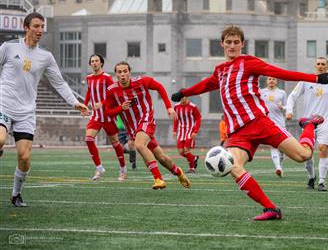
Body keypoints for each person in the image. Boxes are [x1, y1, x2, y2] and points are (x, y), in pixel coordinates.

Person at [171, 25, 328, 221]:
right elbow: (207, 84)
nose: (232, 46)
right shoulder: (220, 70)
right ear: (222, 44)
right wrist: (184, 93)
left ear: (242, 44)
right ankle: (271, 209)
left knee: (303, 155)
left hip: (259, 123)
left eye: (236, 42)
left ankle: (309, 125)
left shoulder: (248, 63)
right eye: (228, 42)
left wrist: (315, 78)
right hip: (238, 133)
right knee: (234, 166)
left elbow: (279, 73)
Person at [0, 12, 90, 207]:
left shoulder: (45, 57)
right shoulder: (8, 48)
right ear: (26, 27)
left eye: (42, 27)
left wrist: (74, 102)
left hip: (26, 112)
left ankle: (16, 194)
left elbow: (59, 83)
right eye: (36, 26)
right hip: (3, 105)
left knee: (24, 157)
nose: (40, 30)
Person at [105, 61, 191, 189]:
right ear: (116, 75)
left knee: (139, 145)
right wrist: (120, 108)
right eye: (119, 72)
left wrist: (168, 107)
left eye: (125, 71)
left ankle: (158, 179)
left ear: (130, 72)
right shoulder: (112, 91)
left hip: (146, 119)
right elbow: (108, 112)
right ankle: (179, 172)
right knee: (161, 158)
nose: (123, 74)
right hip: (133, 129)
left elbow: (159, 87)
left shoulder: (142, 82)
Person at [286, 57, 328, 192]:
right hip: (309, 123)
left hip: (325, 121)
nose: (320, 66)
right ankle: (311, 177)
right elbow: (292, 96)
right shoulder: (306, 81)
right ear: (315, 66)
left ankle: (322, 182)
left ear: (327, 66)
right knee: (306, 153)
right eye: (318, 64)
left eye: (323, 64)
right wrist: (289, 111)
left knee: (323, 148)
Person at [84, 54, 127, 181]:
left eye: (97, 61)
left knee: (115, 144)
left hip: (108, 116)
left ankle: (123, 170)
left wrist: (101, 103)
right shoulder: (89, 78)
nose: (94, 63)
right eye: (92, 61)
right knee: (88, 139)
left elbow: (113, 94)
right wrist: (84, 105)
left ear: (101, 63)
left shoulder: (107, 78)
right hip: (96, 117)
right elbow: (89, 92)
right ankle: (99, 168)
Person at [260, 77, 287, 178]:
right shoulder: (261, 92)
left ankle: (280, 165)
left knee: (283, 147)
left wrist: (283, 107)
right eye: (269, 79)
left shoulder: (282, 93)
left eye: (274, 79)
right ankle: (278, 167)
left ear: (277, 81)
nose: (271, 81)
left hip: (280, 122)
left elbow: (287, 106)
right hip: (267, 122)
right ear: (266, 81)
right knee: (273, 145)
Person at [172, 96, 201, 173]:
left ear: (187, 98)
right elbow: (176, 119)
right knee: (181, 152)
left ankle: (192, 168)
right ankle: (194, 158)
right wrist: (174, 130)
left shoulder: (193, 107)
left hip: (190, 131)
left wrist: (195, 131)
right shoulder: (176, 107)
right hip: (181, 131)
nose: (183, 100)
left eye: (184, 99)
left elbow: (198, 118)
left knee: (186, 150)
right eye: (181, 99)